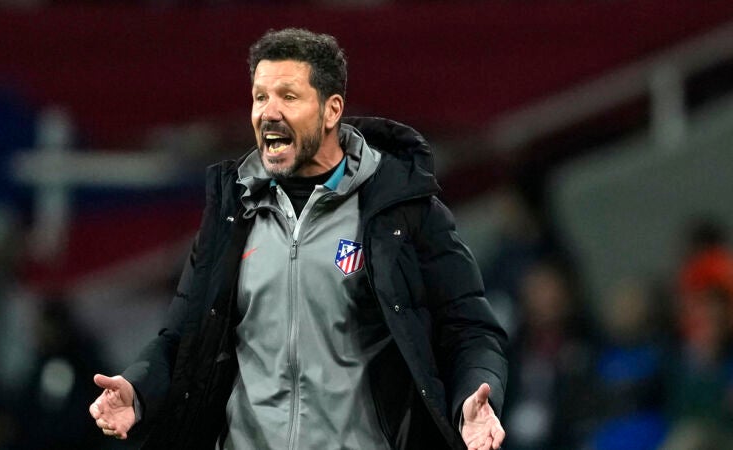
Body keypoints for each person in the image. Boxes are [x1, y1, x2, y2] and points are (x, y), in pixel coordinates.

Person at [89, 28, 508, 450]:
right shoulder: (231, 216)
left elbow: (470, 330)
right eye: (260, 97)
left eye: (288, 97)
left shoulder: (403, 212)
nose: (268, 113)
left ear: (331, 110)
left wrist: (473, 399)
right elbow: (183, 340)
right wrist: (137, 390)